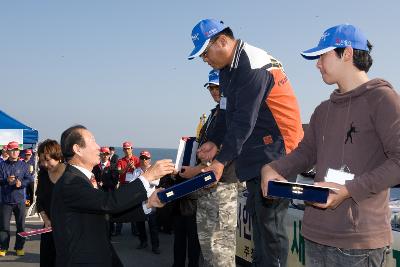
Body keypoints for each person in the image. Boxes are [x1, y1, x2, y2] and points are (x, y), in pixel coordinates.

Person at [261, 24, 399, 267]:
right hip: (315, 235)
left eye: (322, 56)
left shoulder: (383, 99)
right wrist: (273, 168)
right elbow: (306, 153)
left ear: (346, 53)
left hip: (358, 243)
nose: (317, 64)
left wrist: (348, 190)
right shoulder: (322, 110)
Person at [188, 19, 304, 266]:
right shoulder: (227, 69)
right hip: (255, 151)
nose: (205, 59)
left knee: (271, 228)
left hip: (278, 151)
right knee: (259, 223)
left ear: (222, 41)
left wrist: (219, 161)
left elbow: (243, 121)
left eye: (205, 53)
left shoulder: (251, 64)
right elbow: (226, 110)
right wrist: (215, 141)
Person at [51, 125, 175, 267]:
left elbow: (107, 213)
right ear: (77, 149)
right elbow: (108, 203)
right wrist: (147, 176)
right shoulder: (70, 182)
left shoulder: (80, 179)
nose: (98, 147)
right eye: (92, 141)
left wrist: (148, 203)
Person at [180, 69, 238, 267]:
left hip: (222, 186)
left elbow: (227, 151)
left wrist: (193, 172)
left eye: (218, 87)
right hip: (206, 187)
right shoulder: (215, 115)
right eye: (211, 87)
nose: (214, 91)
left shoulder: (233, 115)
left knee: (221, 249)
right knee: (207, 248)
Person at [0, 141, 34, 257]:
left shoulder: (24, 165)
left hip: (19, 200)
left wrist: (22, 183)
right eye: (12, 150)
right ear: (8, 151)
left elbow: (29, 179)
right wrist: (6, 181)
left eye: (16, 150)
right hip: (5, 200)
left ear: (19, 152)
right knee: (4, 226)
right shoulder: (2, 165)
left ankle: (19, 247)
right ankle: (3, 247)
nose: (15, 152)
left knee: (21, 226)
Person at [36, 139, 65, 267]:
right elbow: (39, 201)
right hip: (48, 227)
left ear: (57, 156)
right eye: (42, 160)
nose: (45, 164)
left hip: (68, 229)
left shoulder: (70, 174)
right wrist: (46, 220)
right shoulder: (42, 175)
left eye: (47, 160)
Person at [133, 151, 161, 254]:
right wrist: (144, 178)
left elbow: (156, 182)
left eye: (146, 158)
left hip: (151, 201)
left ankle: (155, 246)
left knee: (153, 225)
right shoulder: (136, 171)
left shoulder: (154, 170)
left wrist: (143, 177)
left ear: (149, 160)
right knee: (140, 224)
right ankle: (143, 242)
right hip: (139, 201)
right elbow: (132, 183)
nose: (143, 160)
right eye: (142, 158)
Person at [92, 146, 119, 237]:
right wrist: (95, 183)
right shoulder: (95, 167)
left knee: (109, 215)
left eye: (107, 154)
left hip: (109, 193)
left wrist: (104, 183)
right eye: (103, 154)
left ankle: (110, 233)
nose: (105, 156)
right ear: (100, 155)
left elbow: (114, 182)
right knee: (99, 215)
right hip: (98, 194)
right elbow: (92, 178)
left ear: (109, 155)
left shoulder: (113, 167)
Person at [115, 141, 140, 236]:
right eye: (125, 149)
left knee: (134, 207)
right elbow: (119, 172)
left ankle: (135, 230)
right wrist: (127, 168)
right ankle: (118, 230)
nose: (126, 150)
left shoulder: (137, 160)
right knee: (120, 207)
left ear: (131, 149)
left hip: (133, 185)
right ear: (123, 150)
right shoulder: (120, 161)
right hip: (123, 185)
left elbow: (140, 173)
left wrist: (133, 168)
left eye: (128, 148)